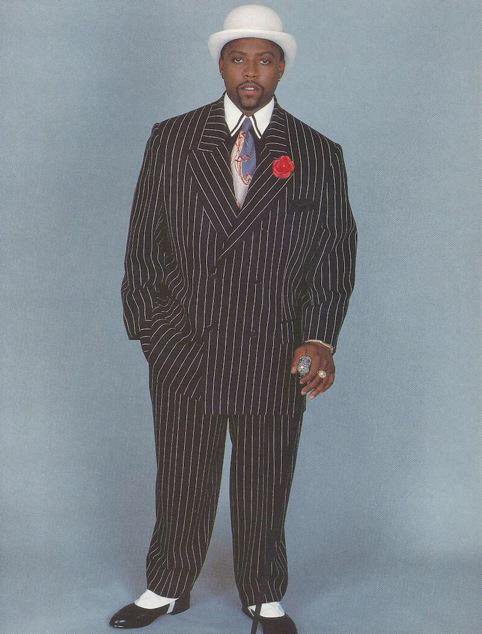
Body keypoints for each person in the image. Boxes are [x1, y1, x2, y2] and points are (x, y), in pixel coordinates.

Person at [110, 4, 357, 633]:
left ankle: (263, 593)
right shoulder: (173, 139)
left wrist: (319, 338)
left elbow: (333, 255)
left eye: (264, 60)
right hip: (185, 340)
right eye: (238, 58)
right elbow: (143, 244)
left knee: (265, 477)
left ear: (282, 69)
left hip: (273, 345)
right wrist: (154, 331)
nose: (251, 71)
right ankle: (167, 585)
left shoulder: (316, 152)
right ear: (220, 64)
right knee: (182, 472)